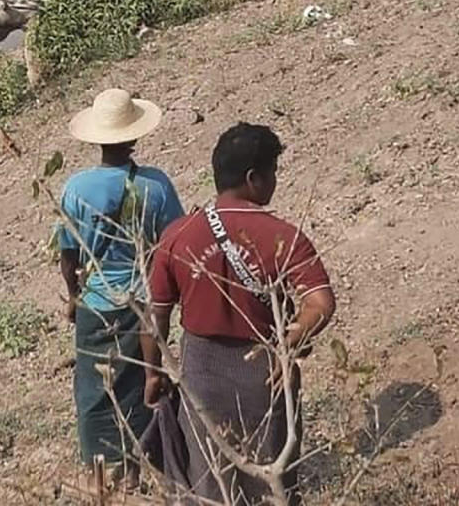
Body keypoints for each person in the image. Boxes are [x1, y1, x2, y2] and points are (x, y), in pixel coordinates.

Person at [145, 123, 335, 505]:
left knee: (211, 478)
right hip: (264, 374)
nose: (275, 182)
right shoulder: (283, 236)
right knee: (271, 479)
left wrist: (152, 373)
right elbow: (321, 304)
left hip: (202, 375)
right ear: (254, 178)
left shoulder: (177, 236)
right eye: (273, 173)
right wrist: (293, 339)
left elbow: (154, 320)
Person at [59, 88, 184, 481]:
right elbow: (170, 244)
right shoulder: (156, 185)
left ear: (97, 138)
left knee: (94, 396)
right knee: (141, 386)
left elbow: (68, 255)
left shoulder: (75, 188)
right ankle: (136, 469)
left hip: (96, 302)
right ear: (134, 136)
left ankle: (101, 474)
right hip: (142, 300)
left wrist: (73, 296)